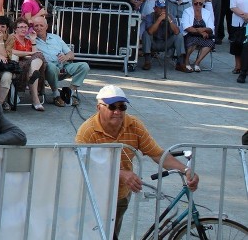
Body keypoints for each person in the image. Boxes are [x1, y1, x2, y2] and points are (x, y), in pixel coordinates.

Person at [76, 85, 198, 239]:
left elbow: (158, 154)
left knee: (111, 232)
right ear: (99, 107)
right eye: (112, 106)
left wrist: (186, 170)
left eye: (122, 107)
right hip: (93, 195)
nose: (118, 112)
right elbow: (81, 165)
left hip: (121, 194)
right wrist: (119, 173)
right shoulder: (87, 131)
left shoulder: (134, 125)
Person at [31, 16, 90, 107]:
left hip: (64, 65)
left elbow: (71, 54)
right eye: (36, 26)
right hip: (47, 69)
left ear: (46, 27)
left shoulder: (56, 38)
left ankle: (69, 92)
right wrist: (32, 40)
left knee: (84, 66)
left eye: (41, 25)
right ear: (32, 27)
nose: (39, 28)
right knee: (51, 66)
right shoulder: (31, 39)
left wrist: (66, 57)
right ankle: (56, 94)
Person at [9, 17, 46, 111]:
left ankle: (32, 74)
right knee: (37, 57)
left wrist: (33, 40)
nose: (23, 29)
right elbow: (11, 52)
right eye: (21, 27)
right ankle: (36, 101)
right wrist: (29, 53)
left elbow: (35, 54)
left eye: (25, 27)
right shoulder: (11, 38)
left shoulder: (28, 40)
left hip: (30, 64)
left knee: (38, 55)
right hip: (17, 64)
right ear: (15, 29)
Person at [141, 0, 187, 71]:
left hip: (166, 43)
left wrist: (169, 20)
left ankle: (180, 63)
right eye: (161, 8)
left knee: (179, 36)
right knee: (146, 34)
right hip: (153, 43)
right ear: (155, 8)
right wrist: (159, 20)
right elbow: (150, 32)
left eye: (165, 8)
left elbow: (177, 32)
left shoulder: (170, 17)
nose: (163, 10)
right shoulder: (150, 16)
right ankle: (147, 61)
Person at [181, 0, 216, 72]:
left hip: (204, 35)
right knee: (193, 41)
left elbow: (211, 28)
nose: (198, 5)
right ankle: (186, 62)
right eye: (196, 3)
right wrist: (201, 32)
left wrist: (202, 29)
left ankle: (197, 63)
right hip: (190, 35)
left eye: (200, 3)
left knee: (210, 43)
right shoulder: (187, 11)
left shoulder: (207, 12)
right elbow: (187, 27)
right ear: (192, 3)